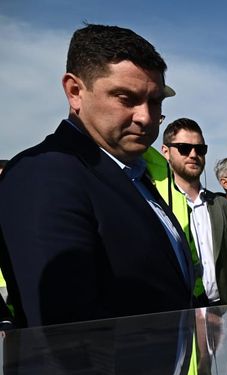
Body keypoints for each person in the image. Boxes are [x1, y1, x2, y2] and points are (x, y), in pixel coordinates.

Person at [0, 24, 192, 327]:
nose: (146, 117)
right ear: (75, 92)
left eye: (155, 101)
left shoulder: (134, 174)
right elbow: (66, 331)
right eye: (126, 98)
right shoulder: (44, 175)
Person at [158, 118, 227, 306]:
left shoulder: (222, 206)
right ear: (166, 152)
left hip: (223, 309)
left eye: (200, 149)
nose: (193, 154)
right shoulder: (158, 205)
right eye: (184, 148)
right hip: (181, 312)